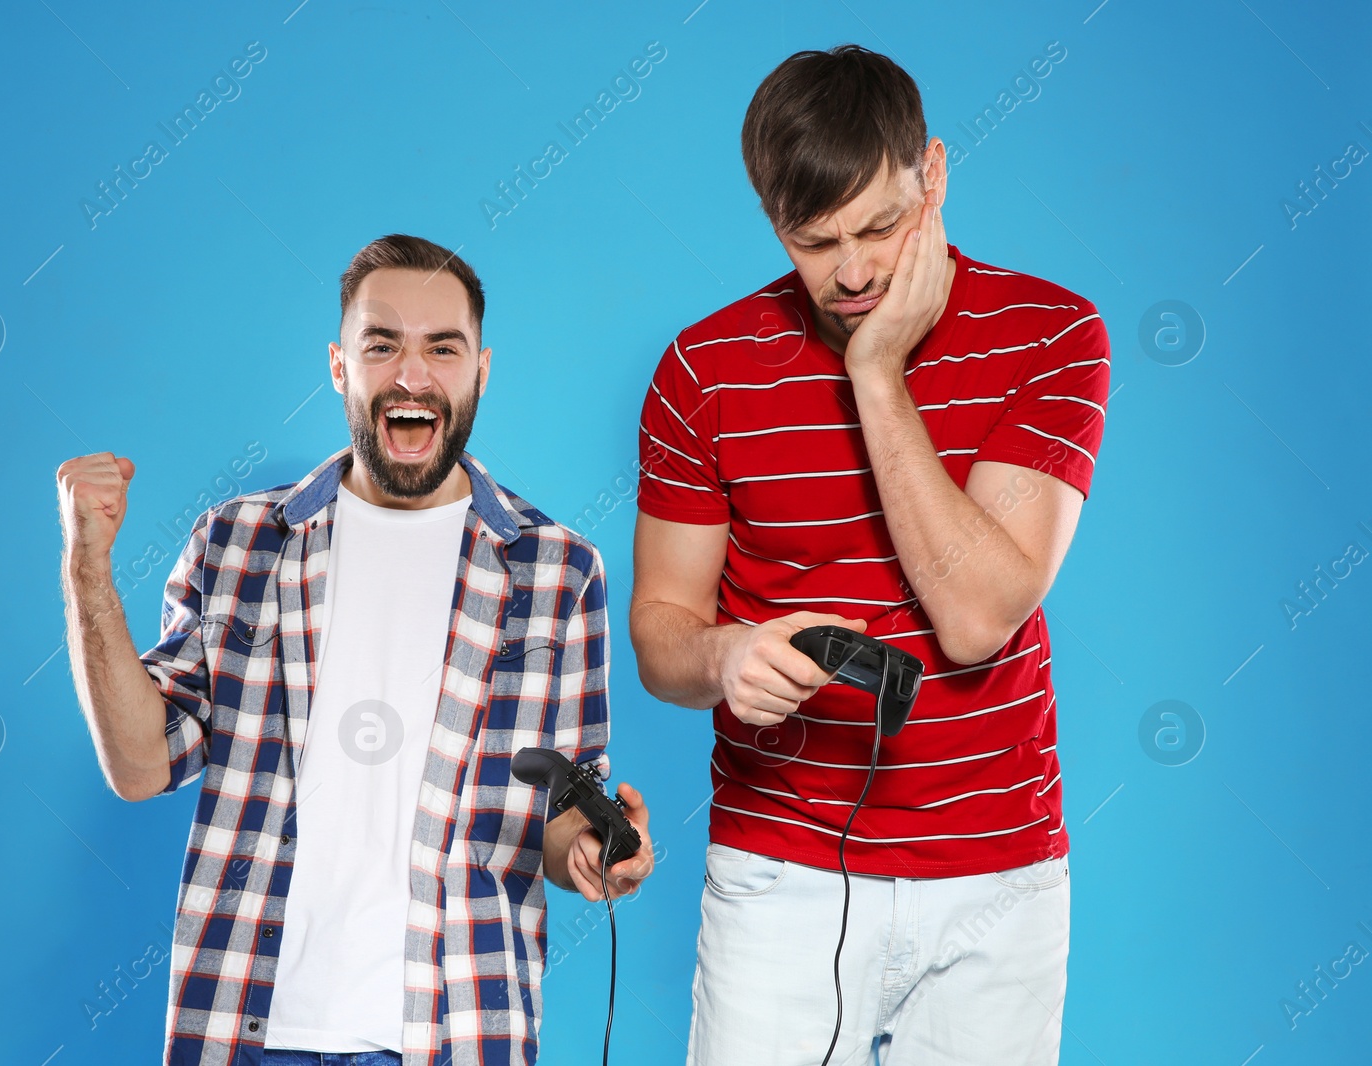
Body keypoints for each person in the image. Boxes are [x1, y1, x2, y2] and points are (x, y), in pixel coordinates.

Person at [56, 234, 654, 1066]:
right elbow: (138, 764)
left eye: (442, 348)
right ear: (341, 367)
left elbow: (556, 816)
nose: (412, 375)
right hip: (246, 1028)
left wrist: (591, 852)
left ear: (480, 369)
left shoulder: (558, 572)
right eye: (383, 345)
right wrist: (87, 566)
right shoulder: (238, 544)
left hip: (458, 1033)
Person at [630, 45, 1109, 1065]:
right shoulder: (702, 373)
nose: (852, 272)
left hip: (996, 881)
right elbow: (662, 632)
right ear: (773, 223)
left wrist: (875, 372)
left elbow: (979, 615)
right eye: (815, 241)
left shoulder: (1053, 335)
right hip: (778, 871)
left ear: (931, 174)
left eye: (882, 226)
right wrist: (722, 658)